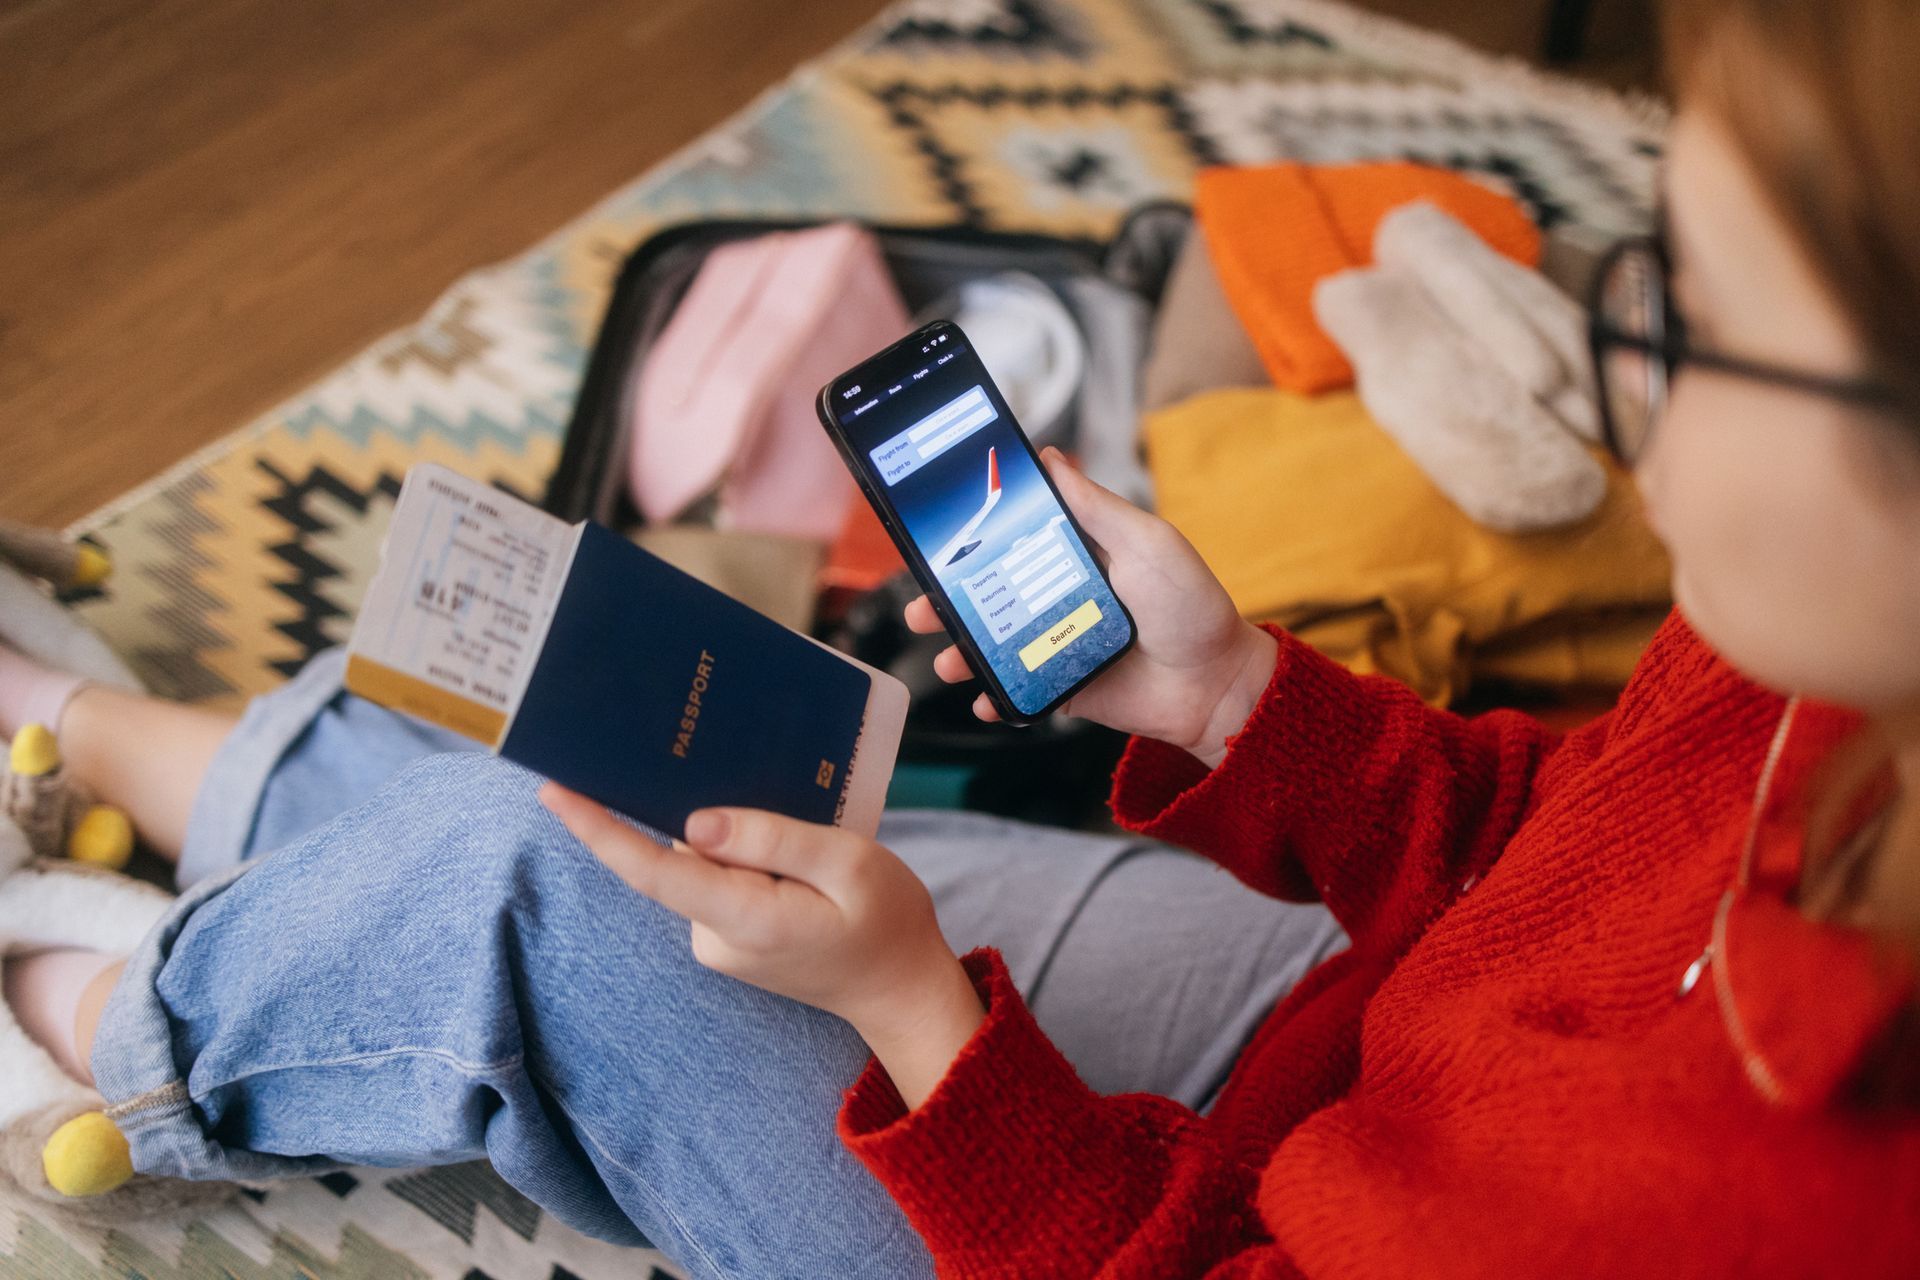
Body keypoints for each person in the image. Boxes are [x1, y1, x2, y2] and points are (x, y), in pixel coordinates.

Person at [5, 0, 1920, 1271]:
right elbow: (1551, 859)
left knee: (547, 879)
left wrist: (922, 1019)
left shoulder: (1788, 1204)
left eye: (1694, 320)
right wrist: (1236, 699)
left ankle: (92, 1022)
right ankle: (92, 736)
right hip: (1337, 1056)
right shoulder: (1822, 675)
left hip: (1207, 1233)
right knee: (701, 800)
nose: (1622, 378)